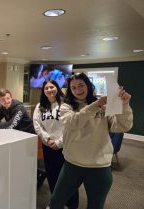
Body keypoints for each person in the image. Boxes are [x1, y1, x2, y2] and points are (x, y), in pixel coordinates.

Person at [50, 73, 133, 209]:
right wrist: (95, 105)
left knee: (95, 206)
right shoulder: (66, 107)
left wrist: (124, 106)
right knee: (56, 201)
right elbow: (73, 123)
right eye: (73, 87)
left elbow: (122, 126)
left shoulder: (104, 106)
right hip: (72, 164)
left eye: (81, 85)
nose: (77, 89)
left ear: (88, 85)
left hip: (99, 167)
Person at [33, 80, 79, 209]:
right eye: (46, 88)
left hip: (66, 146)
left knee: (68, 178)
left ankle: (71, 205)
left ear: (57, 88)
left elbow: (72, 126)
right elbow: (37, 125)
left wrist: (59, 142)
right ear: (43, 91)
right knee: (52, 177)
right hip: (48, 147)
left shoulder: (66, 104)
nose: (49, 90)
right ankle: (56, 203)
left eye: (52, 87)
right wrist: (48, 140)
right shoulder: (39, 106)